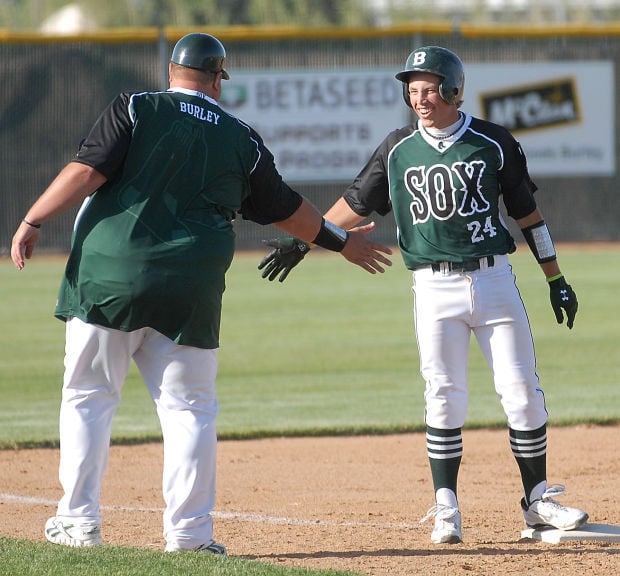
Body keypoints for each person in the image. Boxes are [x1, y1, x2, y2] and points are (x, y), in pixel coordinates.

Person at [10, 32, 392, 554]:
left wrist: (33, 218)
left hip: (110, 278)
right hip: (190, 287)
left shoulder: (136, 107)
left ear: (171, 71)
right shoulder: (242, 138)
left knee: (89, 398)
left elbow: (84, 171)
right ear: (217, 80)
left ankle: (78, 523)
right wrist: (341, 241)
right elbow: (286, 207)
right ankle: (189, 536)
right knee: (190, 408)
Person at [257, 45, 588, 544]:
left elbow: (528, 217)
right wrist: (306, 242)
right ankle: (446, 506)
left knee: (522, 392)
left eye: (429, 88)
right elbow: (354, 202)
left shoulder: (493, 142)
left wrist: (555, 278)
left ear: (453, 90)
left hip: (495, 280)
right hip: (433, 286)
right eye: (412, 89)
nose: (419, 98)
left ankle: (538, 500)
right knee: (444, 394)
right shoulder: (397, 148)